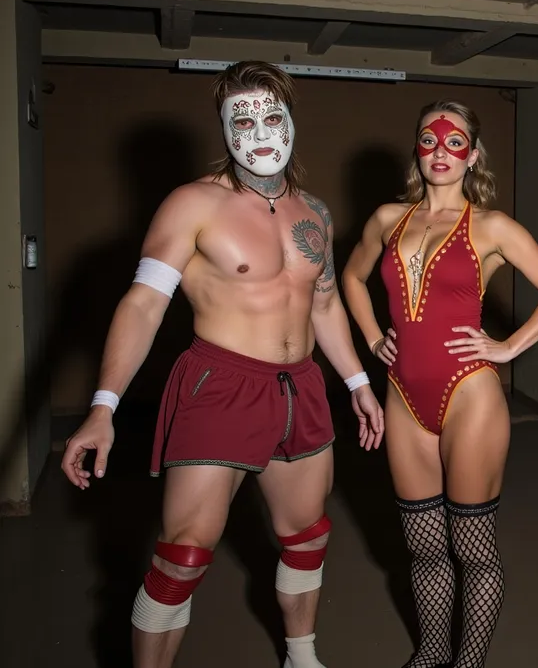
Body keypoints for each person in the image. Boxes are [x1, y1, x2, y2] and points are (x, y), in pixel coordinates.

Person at [60, 60, 384, 668]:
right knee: (183, 554)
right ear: (223, 130)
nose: (259, 130)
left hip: (304, 387)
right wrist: (103, 407)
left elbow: (325, 302)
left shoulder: (315, 211)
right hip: (223, 383)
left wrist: (359, 382)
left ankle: (301, 655)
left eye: (270, 115)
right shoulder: (193, 204)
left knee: (307, 536)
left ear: (291, 120)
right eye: (242, 118)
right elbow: (143, 304)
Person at [342, 100, 538, 668]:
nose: (441, 151)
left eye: (454, 142)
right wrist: (375, 338)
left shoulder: (491, 226)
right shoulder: (384, 219)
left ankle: (468, 662)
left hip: (470, 393)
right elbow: (350, 276)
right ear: (417, 149)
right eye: (429, 139)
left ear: (472, 154)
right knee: (423, 548)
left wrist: (508, 346)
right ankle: (430, 655)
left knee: (472, 549)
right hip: (404, 395)